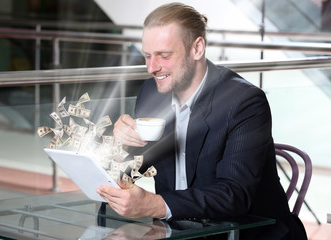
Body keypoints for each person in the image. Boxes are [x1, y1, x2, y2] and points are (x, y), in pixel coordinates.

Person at [97, 2, 307, 239]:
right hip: (178, 232)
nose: (152, 67)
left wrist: (154, 204)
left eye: (164, 56)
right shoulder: (152, 92)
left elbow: (234, 195)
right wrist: (120, 145)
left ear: (197, 48)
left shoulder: (244, 102)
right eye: (147, 55)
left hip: (246, 233)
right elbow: (136, 167)